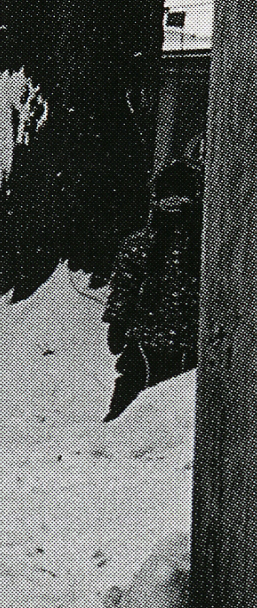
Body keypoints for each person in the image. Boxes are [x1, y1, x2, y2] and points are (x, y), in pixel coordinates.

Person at [103, 158, 202, 421]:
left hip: (190, 342)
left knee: (180, 409)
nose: (173, 208)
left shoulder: (204, 248)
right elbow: (125, 285)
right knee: (129, 395)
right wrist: (117, 321)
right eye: (167, 199)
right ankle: (111, 437)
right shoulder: (141, 244)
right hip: (147, 338)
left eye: (180, 200)